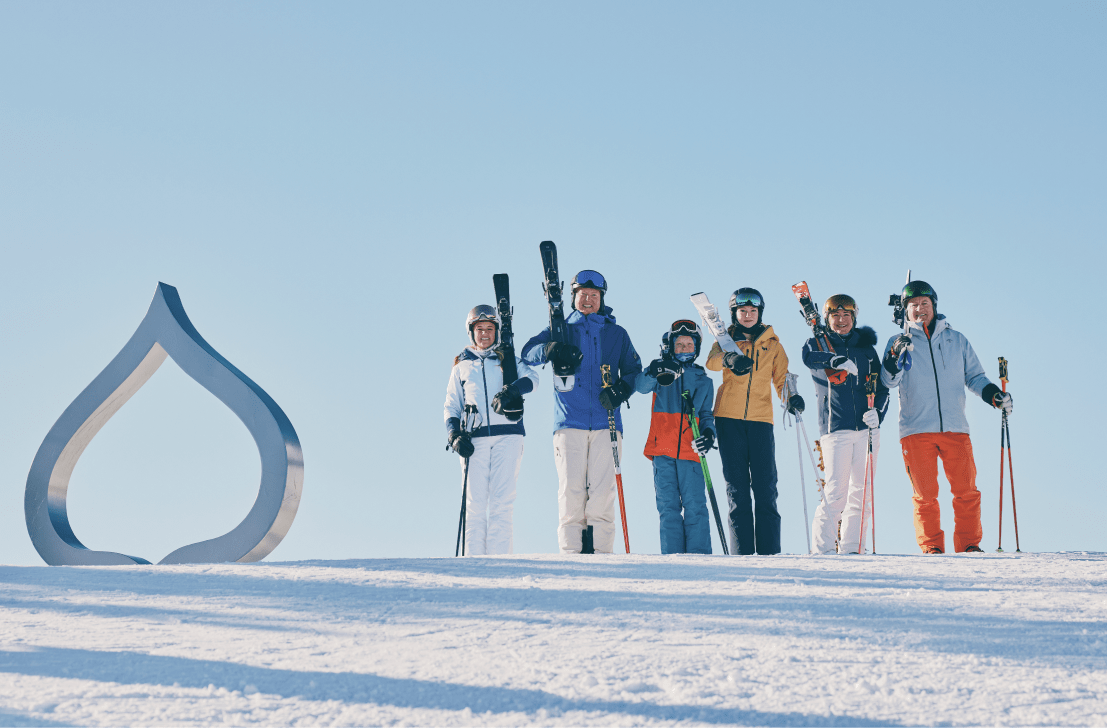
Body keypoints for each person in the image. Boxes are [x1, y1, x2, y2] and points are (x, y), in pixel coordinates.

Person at [880, 280, 1013, 554]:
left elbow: (975, 376)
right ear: (905, 311)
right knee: (925, 495)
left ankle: (969, 544)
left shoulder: (956, 340)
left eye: (925, 304)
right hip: (916, 430)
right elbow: (889, 381)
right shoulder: (898, 342)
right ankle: (932, 547)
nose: (920, 310)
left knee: (966, 490)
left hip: (955, 427)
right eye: (914, 306)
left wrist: (993, 396)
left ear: (934, 306)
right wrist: (895, 355)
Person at [521, 270, 642, 554]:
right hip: (569, 422)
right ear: (573, 296)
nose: (588, 300)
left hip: (606, 422)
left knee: (602, 495)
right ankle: (571, 556)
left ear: (602, 299)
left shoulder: (616, 333)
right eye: (582, 295)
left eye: (594, 296)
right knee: (571, 493)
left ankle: (602, 556)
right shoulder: (561, 329)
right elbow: (528, 352)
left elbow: (635, 370)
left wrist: (621, 390)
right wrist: (551, 348)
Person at [705, 288, 801, 555]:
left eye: (752, 311)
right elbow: (710, 363)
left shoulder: (773, 345)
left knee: (766, 486)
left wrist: (791, 398)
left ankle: (770, 552)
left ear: (760, 313)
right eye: (742, 311)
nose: (748, 315)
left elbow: (782, 379)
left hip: (761, 421)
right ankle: (741, 553)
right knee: (737, 489)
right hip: (728, 420)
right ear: (735, 314)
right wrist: (729, 357)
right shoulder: (725, 342)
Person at [443, 305, 538, 555]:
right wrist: (453, 436)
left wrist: (513, 390)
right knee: (474, 503)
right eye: (479, 329)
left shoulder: (508, 359)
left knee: (502, 501)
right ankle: (473, 562)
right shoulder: (461, 366)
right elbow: (452, 405)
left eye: (489, 329)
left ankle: (499, 560)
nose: (485, 334)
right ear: (471, 333)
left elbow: (533, 380)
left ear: (497, 331)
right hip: (474, 440)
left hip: (508, 435)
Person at [801, 294, 889, 554]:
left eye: (846, 316)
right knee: (836, 490)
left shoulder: (866, 349)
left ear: (854, 318)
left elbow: (882, 385)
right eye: (835, 316)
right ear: (827, 319)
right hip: (835, 426)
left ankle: (853, 548)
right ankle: (823, 550)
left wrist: (878, 415)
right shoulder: (817, 343)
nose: (841, 320)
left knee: (862, 492)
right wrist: (833, 360)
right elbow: (809, 357)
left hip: (866, 427)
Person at [636, 320, 716, 554]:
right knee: (668, 508)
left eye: (688, 344)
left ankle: (699, 559)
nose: (683, 348)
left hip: (691, 450)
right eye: (679, 344)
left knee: (695, 507)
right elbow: (641, 387)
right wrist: (654, 369)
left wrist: (709, 434)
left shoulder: (704, 380)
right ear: (671, 346)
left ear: (696, 349)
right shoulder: (663, 376)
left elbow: (706, 414)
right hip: (663, 451)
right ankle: (672, 560)